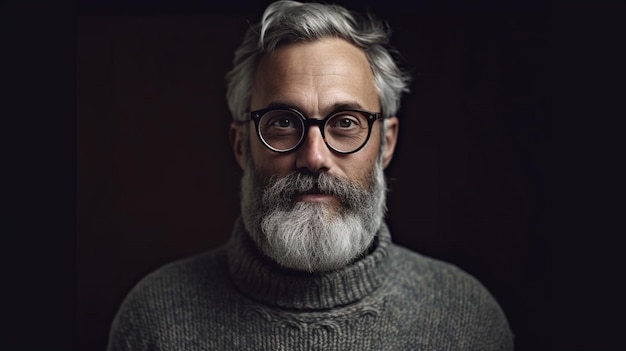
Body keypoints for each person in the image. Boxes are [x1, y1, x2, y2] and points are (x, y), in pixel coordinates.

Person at [107, 1, 514, 349]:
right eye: (283, 122)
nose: (314, 157)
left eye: (346, 122)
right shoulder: (154, 321)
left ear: (386, 143)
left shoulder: (467, 319)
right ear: (241, 146)